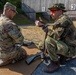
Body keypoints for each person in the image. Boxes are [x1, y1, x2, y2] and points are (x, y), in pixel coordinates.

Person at [35, 3, 76, 73]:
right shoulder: (62, 19)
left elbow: (56, 35)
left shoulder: (64, 20)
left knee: (48, 41)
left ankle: (55, 63)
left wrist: (44, 27)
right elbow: (56, 31)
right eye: (51, 11)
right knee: (42, 45)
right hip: (66, 44)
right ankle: (63, 57)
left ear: (60, 11)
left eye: (53, 11)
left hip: (71, 49)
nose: (51, 13)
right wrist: (44, 24)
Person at [0, 2, 27, 66]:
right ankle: (9, 60)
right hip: (7, 52)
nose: (14, 15)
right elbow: (20, 39)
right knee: (23, 52)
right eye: (14, 12)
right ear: (9, 10)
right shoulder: (9, 23)